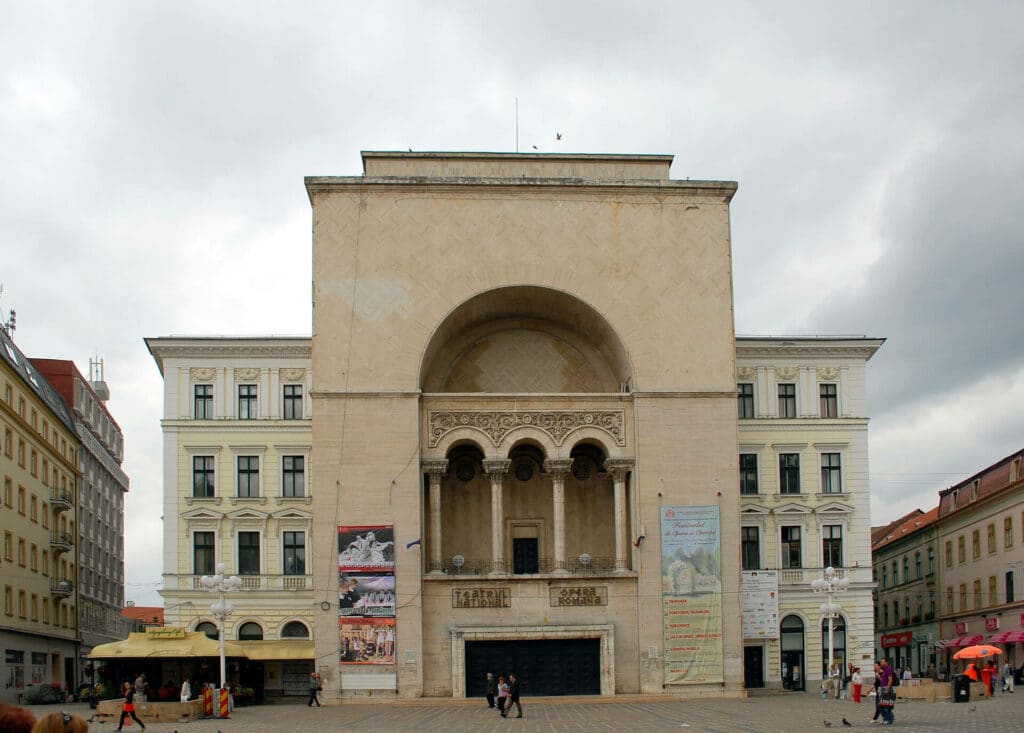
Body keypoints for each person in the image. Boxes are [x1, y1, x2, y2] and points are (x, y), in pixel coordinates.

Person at [877, 659, 895, 726]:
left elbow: (890, 680)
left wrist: (887, 689)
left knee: (886, 705)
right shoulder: (884, 669)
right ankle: (886, 718)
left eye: (882, 662)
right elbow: (884, 680)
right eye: (881, 662)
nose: (881, 663)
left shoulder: (888, 669)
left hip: (887, 689)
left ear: (886, 662)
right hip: (883, 688)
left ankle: (888, 719)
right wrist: (880, 677)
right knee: (881, 705)